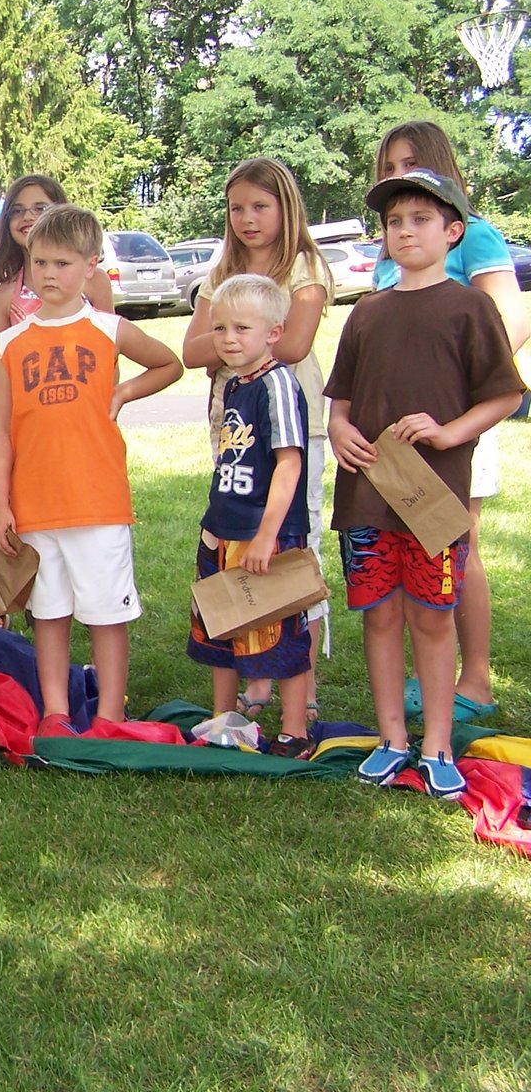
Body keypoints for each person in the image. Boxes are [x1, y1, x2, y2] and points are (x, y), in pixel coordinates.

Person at [327, 170, 522, 797]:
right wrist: (338, 430)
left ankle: (437, 745)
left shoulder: (470, 308)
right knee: (380, 617)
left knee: (433, 619)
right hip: (367, 497)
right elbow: (340, 401)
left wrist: (446, 432)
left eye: (420, 220)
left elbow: (505, 394)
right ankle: (392, 739)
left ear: (453, 231)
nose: (405, 232)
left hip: (434, 502)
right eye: (394, 223)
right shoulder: (367, 312)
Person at [0, 205, 181, 730]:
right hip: (35, 506)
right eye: (40, 262)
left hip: (98, 502)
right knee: (48, 614)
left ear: (91, 265)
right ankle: (55, 712)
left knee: (106, 614)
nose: (49, 274)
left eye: (63, 263)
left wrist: (125, 391)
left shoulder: (108, 328)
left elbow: (170, 363)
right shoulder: (9, 343)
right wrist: (1, 503)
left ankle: (110, 714)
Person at [371, 121, 530, 720]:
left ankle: (477, 678)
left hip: (458, 422)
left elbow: (510, 320)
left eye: (410, 163)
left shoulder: (475, 234)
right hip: (399, 433)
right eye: (389, 167)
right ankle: (428, 675)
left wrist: (456, 405)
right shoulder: (393, 250)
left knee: (459, 543)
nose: (398, 175)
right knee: (412, 547)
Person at [180, 158, 333, 718]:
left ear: (285, 207)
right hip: (233, 427)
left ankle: (301, 687)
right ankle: (256, 677)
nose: (247, 218)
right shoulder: (221, 270)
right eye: (236, 208)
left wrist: (223, 339)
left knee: (291, 552)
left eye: (260, 206)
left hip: (292, 426)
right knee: (238, 553)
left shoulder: (304, 266)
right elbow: (189, 350)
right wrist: (236, 337)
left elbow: (292, 345)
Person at [184, 275, 315, 756]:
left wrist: (266, 535)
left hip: (265, 533)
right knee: (219, 626)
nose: (229, 339)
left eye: (242, 328)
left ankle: (295, 730)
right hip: (223, 527)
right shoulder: (236, 384)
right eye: (219, 328)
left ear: (273, 333)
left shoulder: (277, 384)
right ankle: (224, 719)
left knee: (281, 633)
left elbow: (289, 463)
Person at [0, 174, 114, 328]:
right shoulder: (3, 297)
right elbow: (0, 345)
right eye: (16, 211)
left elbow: (111, 338)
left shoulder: (93, 281)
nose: (27, 216)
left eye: (40, 209)